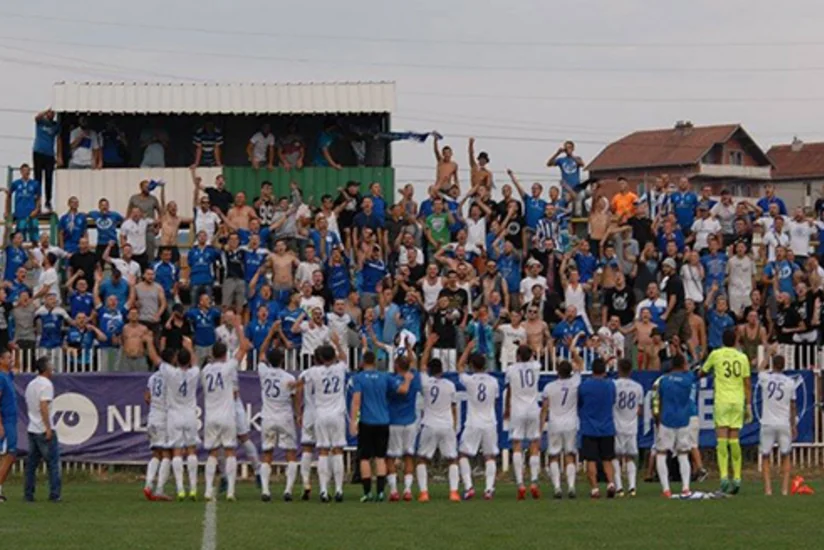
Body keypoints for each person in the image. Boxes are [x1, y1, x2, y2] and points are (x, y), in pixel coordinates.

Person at [349, 349, 414, 502]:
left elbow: (356, 401)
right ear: (375, 362)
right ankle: (380, 492)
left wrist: (353, 422)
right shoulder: (384, 377)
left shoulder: (358, 378)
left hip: (367, 421)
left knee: (365, 458)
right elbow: (403, 390)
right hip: (383, 421)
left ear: (363, 362)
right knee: (380, 457)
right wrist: (408, 379)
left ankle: (367, 493)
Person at [146, 337, 200, 501]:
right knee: (190, 450)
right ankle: (193, 488)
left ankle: (180, 489)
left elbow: (155, 360)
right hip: (190, 414)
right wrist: (190, 347)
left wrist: (149, 342)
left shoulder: (168, 373)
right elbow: (196, 363)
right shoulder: (193, 373)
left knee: (173, 452)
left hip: (173, 415)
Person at [700, 329, 751, 494]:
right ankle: (737, 478)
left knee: (721, 439)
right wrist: (748, 405)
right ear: (736, 340)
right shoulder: (742, 357)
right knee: (734, 439)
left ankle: (723, 477)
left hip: (722, 400)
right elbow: (747, 383)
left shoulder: (716, 354)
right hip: (737, 400)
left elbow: (703, 371)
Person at [297, 343, 348, 502]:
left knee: (320, 451)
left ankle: (322, 490)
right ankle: (339, 489)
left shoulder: (311, 372)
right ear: (333, 357)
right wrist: (337, 341)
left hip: (318, 414)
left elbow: (298, 387)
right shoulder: (339, 369)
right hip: (337, 414)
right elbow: (344, 358)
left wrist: (298, 411)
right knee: (338, 450)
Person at [201, 333, 249, 502]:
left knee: (212, 454)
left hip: (211, 417)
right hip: (227, 415)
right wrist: (238, 327)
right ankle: (230, 492)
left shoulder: (205, 370)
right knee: (230, 453)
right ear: (225, 354)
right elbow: (244, 348)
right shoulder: (228, 367)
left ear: (213, 354)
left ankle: (208, 490)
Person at [417, 338, 460, 502]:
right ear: (442, 370)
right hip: (446, 425)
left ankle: (424, 493)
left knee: (422, 459)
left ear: (428, 370)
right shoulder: (450, 385)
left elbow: (420, 365)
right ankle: (454, 492)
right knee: (452, 459)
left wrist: (428, 346)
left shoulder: (425, 382)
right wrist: (454, 425)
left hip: (429, 424)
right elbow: (454, 407)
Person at [456, 345, 500, 500]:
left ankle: (469, 487)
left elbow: (459, 366)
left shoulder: (469, 380)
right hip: (489, 422)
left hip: (473, 422)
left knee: (463, 454)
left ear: (472, 366)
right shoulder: (494, 381)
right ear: (485, 365)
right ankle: (489, 489)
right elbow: (494, 401)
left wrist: (467, 349)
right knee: (490, 456)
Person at [257, 348, 300, 502]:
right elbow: (295, 397)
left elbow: (262, 351)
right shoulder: (288, 377)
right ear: (283, 360)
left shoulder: (264, 372)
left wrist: (271, 334)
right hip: (285, 418)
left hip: (268, 417)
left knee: (267, 454)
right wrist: (298, 414)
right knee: (291, 453)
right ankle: (288, 490)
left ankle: (265, 490)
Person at [541, 351, 583, 499]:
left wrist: (541, 426)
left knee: (554, 455)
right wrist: (573, 352)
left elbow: (545, 408)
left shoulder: (549, 387)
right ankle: (571, 486)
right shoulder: (574, 383)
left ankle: (557, 487)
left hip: (555, 423)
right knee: (570, 454)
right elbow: (582, 365)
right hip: (571, 423)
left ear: (557, 371)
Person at [504, 345, 542, 500]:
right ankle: (533, 481)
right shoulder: (536, 366)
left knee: (517, 445)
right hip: (533, 408)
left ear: (518, 356)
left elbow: (509, 390)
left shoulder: (511, 369)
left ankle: (520, 483)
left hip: (518, 409)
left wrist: (507, 408)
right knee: (534, 444)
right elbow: (533, 357)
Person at [756, 351, 797, 496]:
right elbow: (793, 406)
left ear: (773, 364)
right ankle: (784, 489)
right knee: (786, 455)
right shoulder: (790, 382)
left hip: (767, 422)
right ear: (784, 366)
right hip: (783, 422)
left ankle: (768, 489)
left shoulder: (766, 378)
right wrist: (793, 425)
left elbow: (759, 369)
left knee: (766, 456)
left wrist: (768, 354)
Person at [655, 354, 695, 498]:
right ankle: (685, 487)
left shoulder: (664, 381)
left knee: (661, 453)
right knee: (683, 454)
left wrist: (657, 418)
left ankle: (666, 489)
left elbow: (658, 400)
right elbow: (694, 372)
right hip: (683, 419)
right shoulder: (688, 379)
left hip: (666, 419)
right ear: (683, 364)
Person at [578, 357, 617, 499]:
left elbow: (580, 402)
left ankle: (594, 488)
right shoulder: (610, 385)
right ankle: (611, 483)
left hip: (589, 427)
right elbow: (613, 401)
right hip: (607, 426)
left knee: (591, 460)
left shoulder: (584, 385)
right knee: (607, 459)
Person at [386, 354, 421, 502]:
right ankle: (407, 490)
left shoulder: (391, 380)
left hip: (394, 422)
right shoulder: (415, 377)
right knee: (408, 455)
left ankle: (394, 490)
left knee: (391, 456)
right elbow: (415, 364)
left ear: (396, 366)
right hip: (410, 421)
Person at [24, 356, 60, 502]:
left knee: (31, 465)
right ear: (45, 369)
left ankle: (28, 493)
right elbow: (43, 406)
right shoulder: (47, 385)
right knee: (53, 463)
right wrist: (48, 427)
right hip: (42, 429)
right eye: (51, 366)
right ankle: (54, 493)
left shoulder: (31, 384)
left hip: (32, 427)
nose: (53, 368)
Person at [143, 346, 173, 502]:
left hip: (152, 416)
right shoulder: (172, 376)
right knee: (167, 454)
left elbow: (147, 397)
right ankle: (160, 489)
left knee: (155, 453)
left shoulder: (153, 377)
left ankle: (148, 484)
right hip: (164, 417)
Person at [612, 358, 643, 498]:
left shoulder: (613, 385)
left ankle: (619, 488)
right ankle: (632, 487)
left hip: (617, 425)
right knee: (630, 457)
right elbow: (640, 410)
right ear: (631, 370)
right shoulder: (638, 387)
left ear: (618, 369)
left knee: (616, 457)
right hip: (631, 426)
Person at [33, 108, 62, 212]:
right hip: (38, 152)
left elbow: (59, 139)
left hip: (49, 154)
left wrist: (58, 157)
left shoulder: (55, 125)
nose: (51, 114)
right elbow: (36, 117)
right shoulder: (41, 122)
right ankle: (37, 202)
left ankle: (48, 201)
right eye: (50, 113)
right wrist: (45, 111)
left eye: (53, 113)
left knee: (49, 179)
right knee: (38, 178)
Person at [7, 163, 41, 243]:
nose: (26, 172)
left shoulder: (35, 183)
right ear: (21, 171)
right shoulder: (16, 183)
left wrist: (37, 209)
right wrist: (8, 211)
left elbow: (39, 198)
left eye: (28, 170)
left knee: (35, 235)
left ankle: (34, 252)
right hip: (20, 213)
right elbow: (8, 196)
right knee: (20, 235)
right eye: (24, 170)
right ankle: (21, 252)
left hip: (32, 213)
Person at [0, 349, 16, 502]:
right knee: (9, 454)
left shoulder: (8, 376)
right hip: (5, 420)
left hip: (11, 420)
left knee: (10, 454)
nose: (12, 360)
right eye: (8, 358)